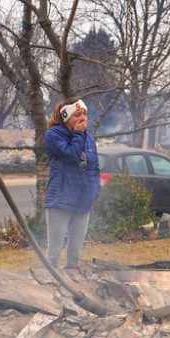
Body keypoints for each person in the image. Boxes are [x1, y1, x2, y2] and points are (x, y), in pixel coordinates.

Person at [44, 98, 100, 271]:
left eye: (84, 114)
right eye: (77, 115)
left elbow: (94, 167)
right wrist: (77, 134)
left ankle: (72, 282)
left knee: (75, 256)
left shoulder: (89, 138)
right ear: (66, 117)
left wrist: (94, 191)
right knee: (54, 253)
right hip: (61, 200)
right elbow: (71, 156)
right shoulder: (53, 135)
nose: (82, 118)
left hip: (83, 202)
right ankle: (49, 285)